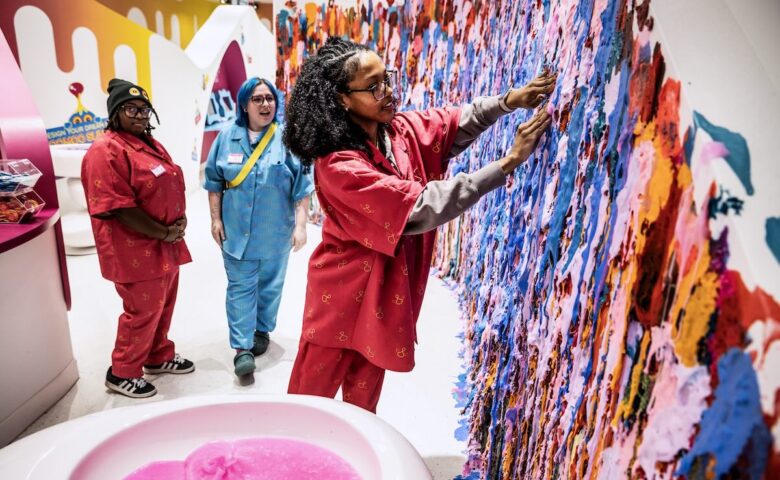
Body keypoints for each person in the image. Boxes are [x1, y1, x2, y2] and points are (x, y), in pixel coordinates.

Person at [282, 37, 555, 413]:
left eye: (387, 79)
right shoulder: (338, 165)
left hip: (381, 296)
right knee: (309, 406)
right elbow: (421, 207)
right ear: (343, 99)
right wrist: (508, 162)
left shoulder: (398, 132)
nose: (387, 92)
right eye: (373, 87)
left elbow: (454, 122)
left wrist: (511, 101)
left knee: (362, 407)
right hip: (341, 297)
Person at [81, 78, 195, 399]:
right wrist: (165, 230)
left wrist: (177, 222)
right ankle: (123, 372)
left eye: (145, 109)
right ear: (114, 113)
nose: (140, 115)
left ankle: (158, 356)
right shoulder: (105, 150)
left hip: (165, 242)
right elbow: (117, 208)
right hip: (136, 247)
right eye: (130, 109)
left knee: (164, 304)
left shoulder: (148, 142)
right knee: (142, 310)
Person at [204, 77, 314, 377]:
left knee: (269, 287)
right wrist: (215, 218)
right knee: (240, 287)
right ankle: (242, 348)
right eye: (258, 99)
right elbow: (214, 182)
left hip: (275, 233)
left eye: (270, 99)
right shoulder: (227, 137)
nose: (266, 104)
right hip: (236, 233)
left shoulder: (289, 138)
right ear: (244, 104)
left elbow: (303, 188)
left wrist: (301, 227)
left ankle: (262, 330)